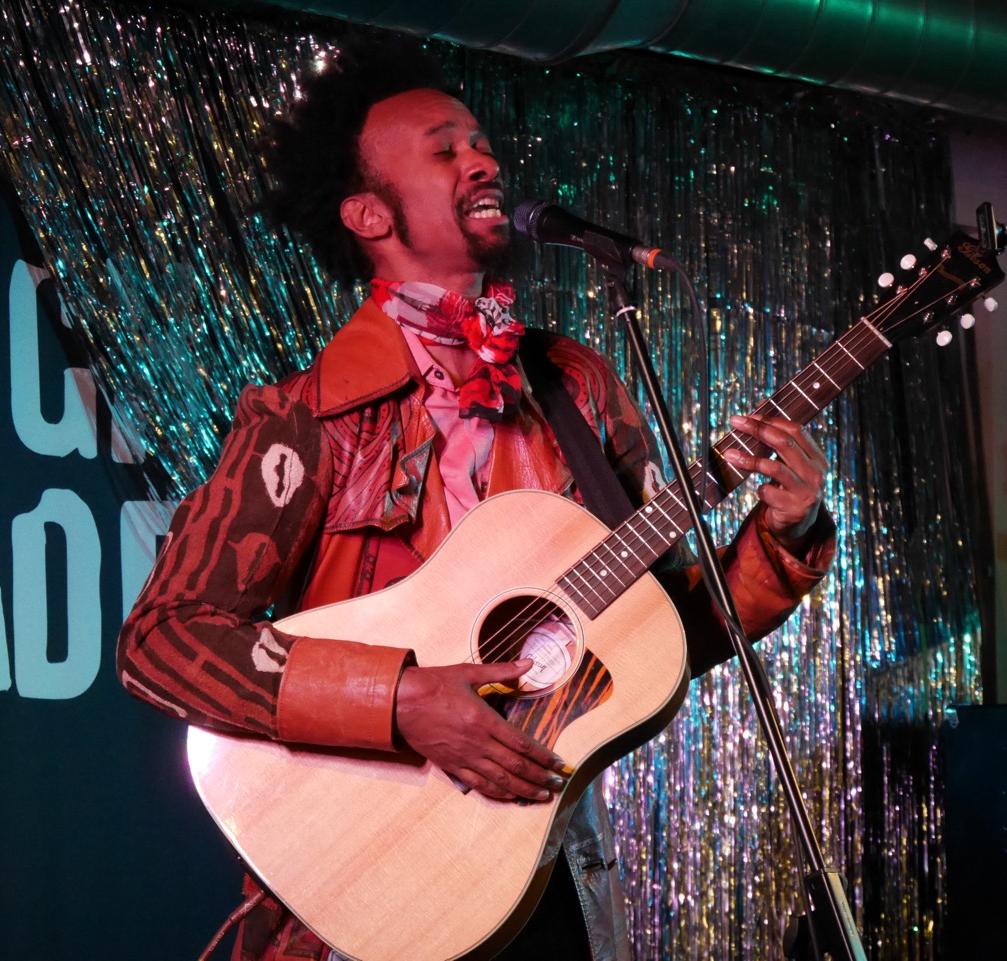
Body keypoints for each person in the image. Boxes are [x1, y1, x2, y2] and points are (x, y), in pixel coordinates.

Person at [117, 38, 836, 961]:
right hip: (369, 878)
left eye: (482, 143)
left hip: (543, 859)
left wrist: (786, 532)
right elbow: (164, 641)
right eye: (445, 148)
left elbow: (664, 633)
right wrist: (399, 698)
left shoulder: (576, 387)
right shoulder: (305, 418)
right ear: (369, 212)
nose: (485, 159)